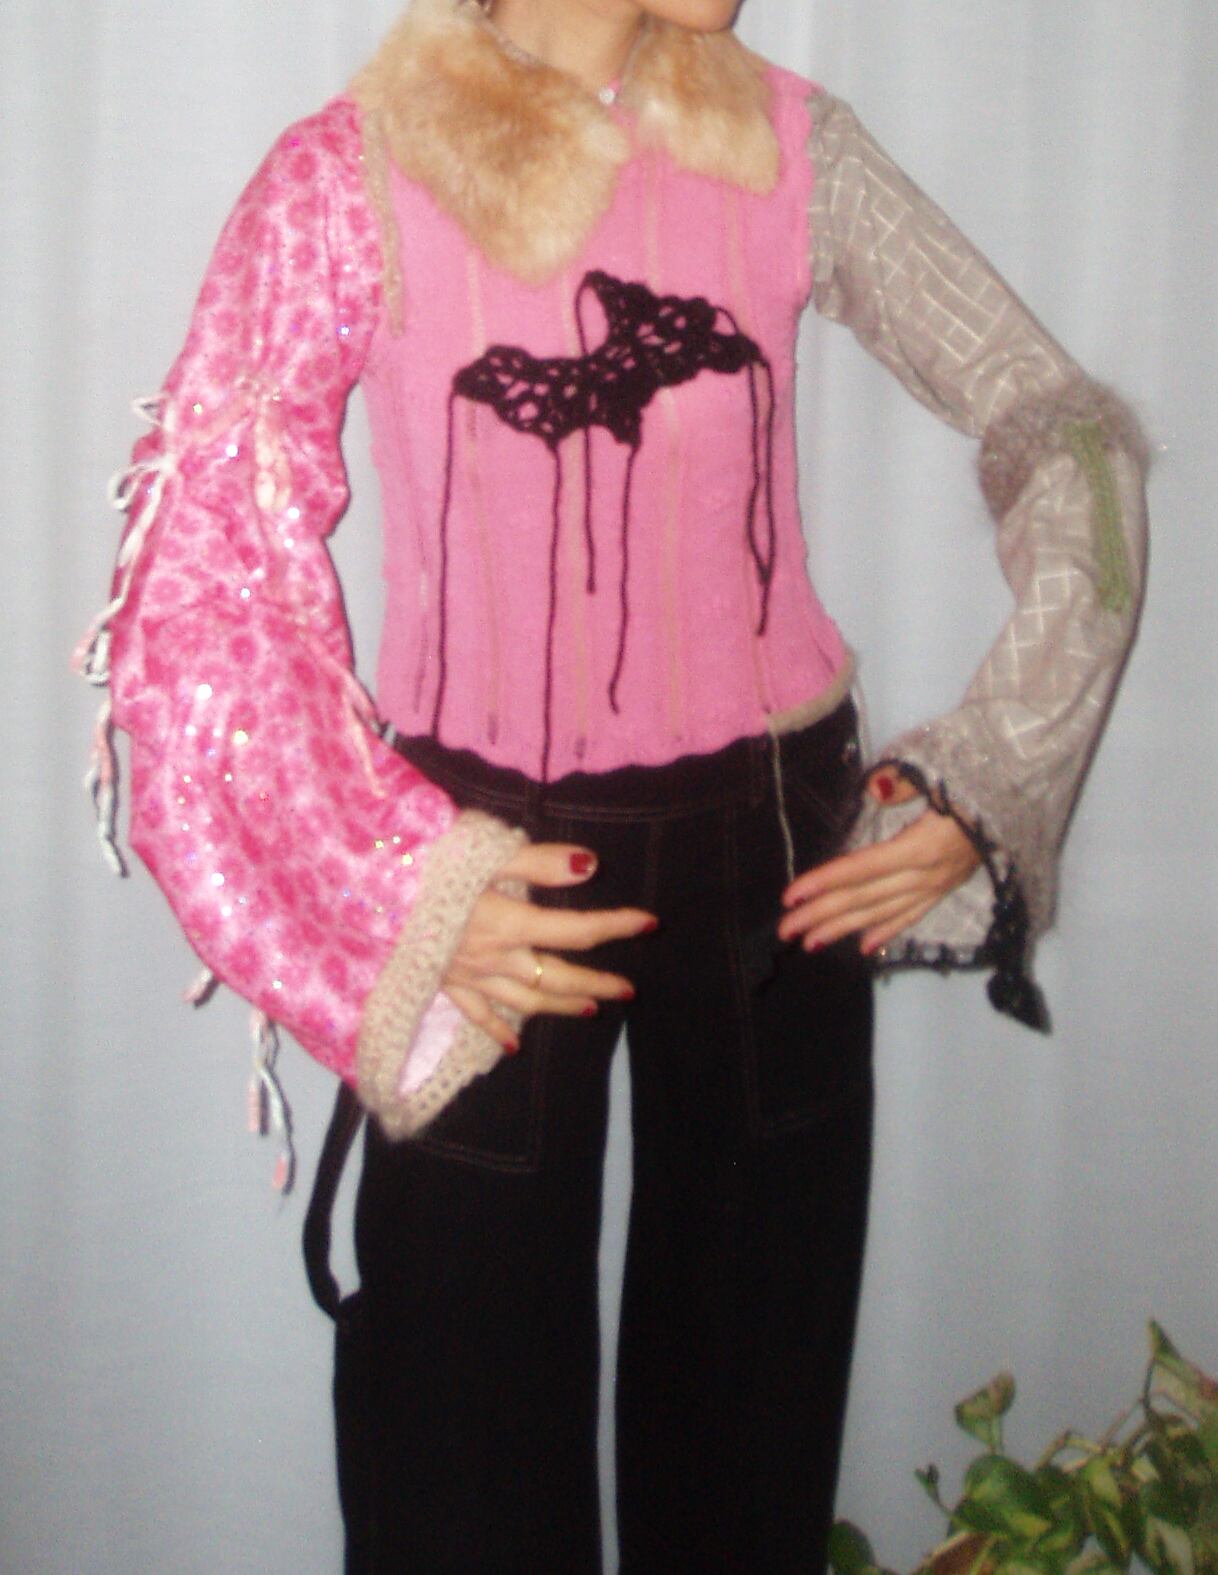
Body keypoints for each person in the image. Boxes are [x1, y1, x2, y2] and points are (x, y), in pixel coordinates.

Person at [77, 0, 1147, 1568]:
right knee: (458, 1438)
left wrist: (986, 773)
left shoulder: (786, 144)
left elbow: (1063, 435)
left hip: (779, 859)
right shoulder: (356, 170)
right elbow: (198, 576)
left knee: (749, 1429)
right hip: (488, 880)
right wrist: (388, 879)